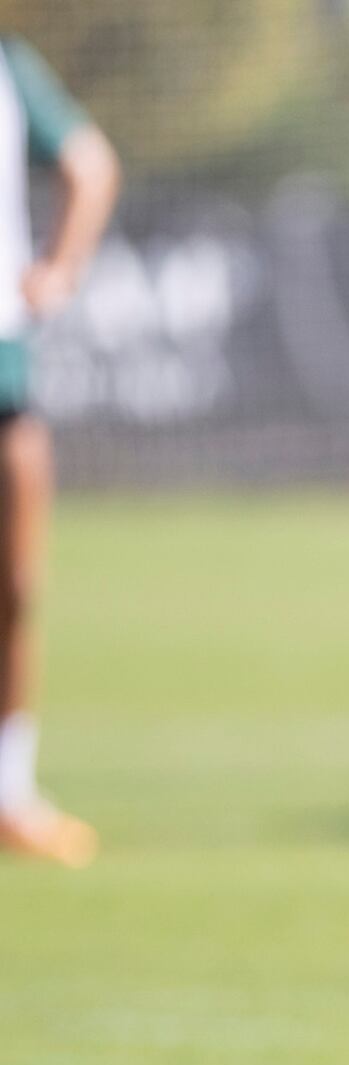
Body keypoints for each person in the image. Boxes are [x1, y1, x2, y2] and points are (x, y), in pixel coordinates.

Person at [0, 35, 115, 867]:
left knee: (16, 585)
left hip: (6, 372)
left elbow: (91, 165)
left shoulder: (11, 68)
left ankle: (11, 791)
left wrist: (58, 269)